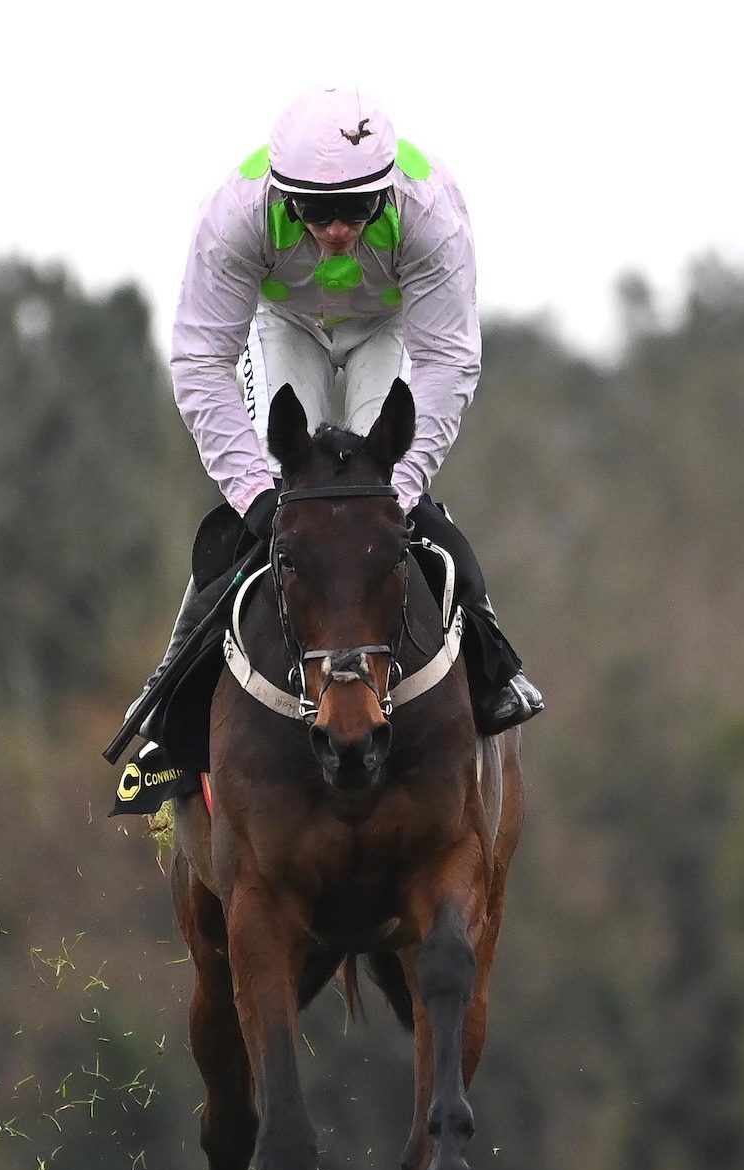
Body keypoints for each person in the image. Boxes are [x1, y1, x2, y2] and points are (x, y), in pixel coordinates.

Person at [121, 85, 543, 755]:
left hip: (388, 329)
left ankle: (494, 665)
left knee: (402, 502)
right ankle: (166, 710)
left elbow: (448, 363)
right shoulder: (235, 216)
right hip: (284, 326)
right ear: (287, 199)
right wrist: (257, 494)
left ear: (386, 191)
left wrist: (397, 489)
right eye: (319, 212)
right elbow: (201, 362)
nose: (339, 229)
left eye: (355, 210)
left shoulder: (431, 213)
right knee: (262, 516)